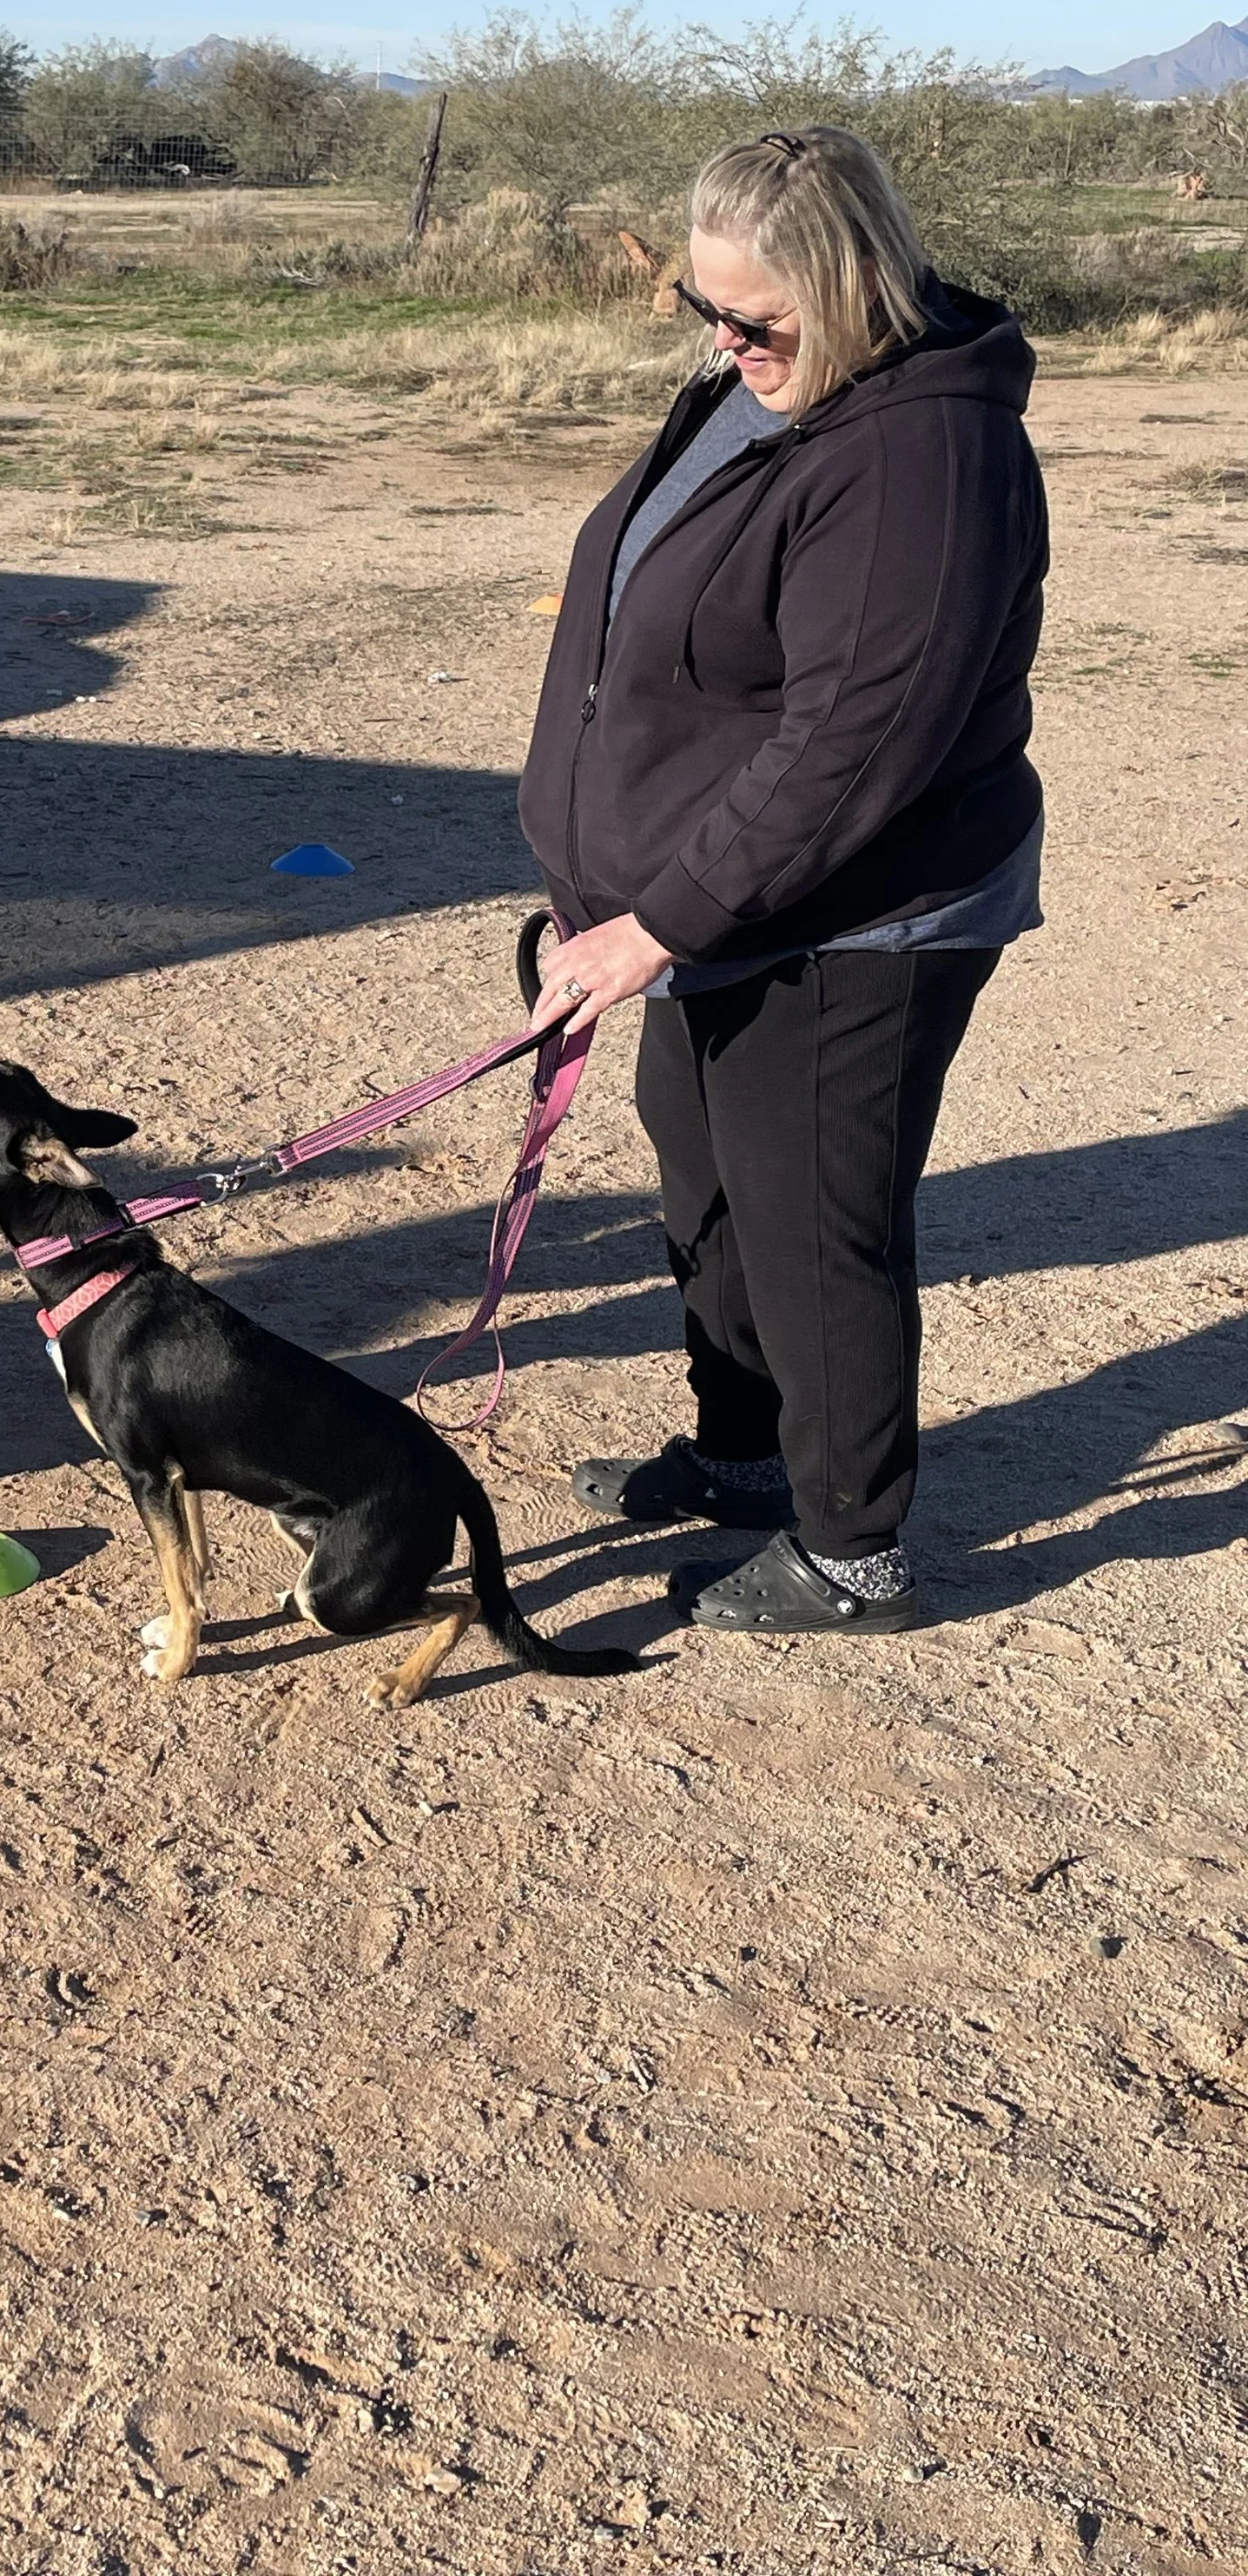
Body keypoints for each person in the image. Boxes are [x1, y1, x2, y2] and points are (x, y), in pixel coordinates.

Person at [516, 127, 1047, 1635]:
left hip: (855, 913)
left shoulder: (922, 454)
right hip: (707, 902)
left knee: (817, 1210)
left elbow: (851, 747)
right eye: (709, 312)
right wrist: (610, 885)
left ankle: (851, 1548)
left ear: (859, 286)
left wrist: (662, 920)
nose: (733, 344)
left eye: (765, 321)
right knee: (707, 1166)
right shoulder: (765, 391)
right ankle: (747, 1455)